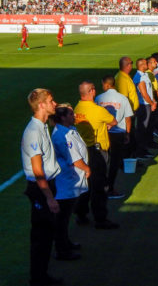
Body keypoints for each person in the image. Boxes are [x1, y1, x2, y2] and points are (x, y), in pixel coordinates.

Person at [21, 88, 62, 286]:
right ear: (41, 105)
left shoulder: (42, 127)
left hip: (46, 187)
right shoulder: (33, 131)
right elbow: (38, 171)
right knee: (41, 236)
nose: (55, 104)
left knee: (47, 234)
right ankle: (38, 279)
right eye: (52, 101)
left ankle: (42, 276)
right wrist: (49, 197)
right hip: (40, 190)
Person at [74, 81, 119, 229]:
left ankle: (81, 214)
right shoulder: (98, 110)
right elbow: (114, 120)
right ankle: (100, 218)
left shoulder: (78, 108)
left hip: (82, 150)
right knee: (99, 186)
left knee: (85, 184)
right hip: (97, 150)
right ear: (92, 91)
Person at [50, 104, 89, 261]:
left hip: (71, 180)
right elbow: (74, 159)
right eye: (71, 114)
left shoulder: (68, 130)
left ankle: (66, 243)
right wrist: (87, 168)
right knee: (62, 218)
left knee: (65, 218)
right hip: (66, 182)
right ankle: (62, 250)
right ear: (63, 117)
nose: (74, 116)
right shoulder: (62, 135)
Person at [95, 75, 133, 198]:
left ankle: (101, 187)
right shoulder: (123, 98)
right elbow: (128, 119)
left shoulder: (98, 98)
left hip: (103, 134)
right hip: (118, 134)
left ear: (106, 85)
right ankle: (110, 188)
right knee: (114, 163)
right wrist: (127, 133)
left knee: (103, 161)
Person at [133, 58, 158, 158]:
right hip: (143, 105)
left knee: (147, 127)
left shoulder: (144, 75)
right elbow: (143, 93)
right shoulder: (139, 77)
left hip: (147, 104)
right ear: (142, 65)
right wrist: (152, 103)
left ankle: (145, 147)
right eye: (146, 63)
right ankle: (140, 151)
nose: (148, 64)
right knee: (142, 128)